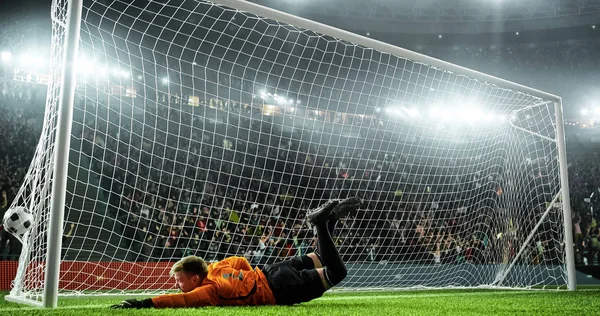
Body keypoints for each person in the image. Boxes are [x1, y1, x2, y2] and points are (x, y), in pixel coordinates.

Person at [110, 197, 362, 308]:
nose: (176, 284)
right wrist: (250, 278)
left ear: (195, 278)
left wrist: (142, 303)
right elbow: (241, 261)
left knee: (336, 273)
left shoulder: (208, 290)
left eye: (179, 279)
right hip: (270, 272)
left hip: (278, 288)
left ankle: (321, 224)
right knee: (318, 257)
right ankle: (329, 221)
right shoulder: (218, 266)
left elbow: (179, 301)